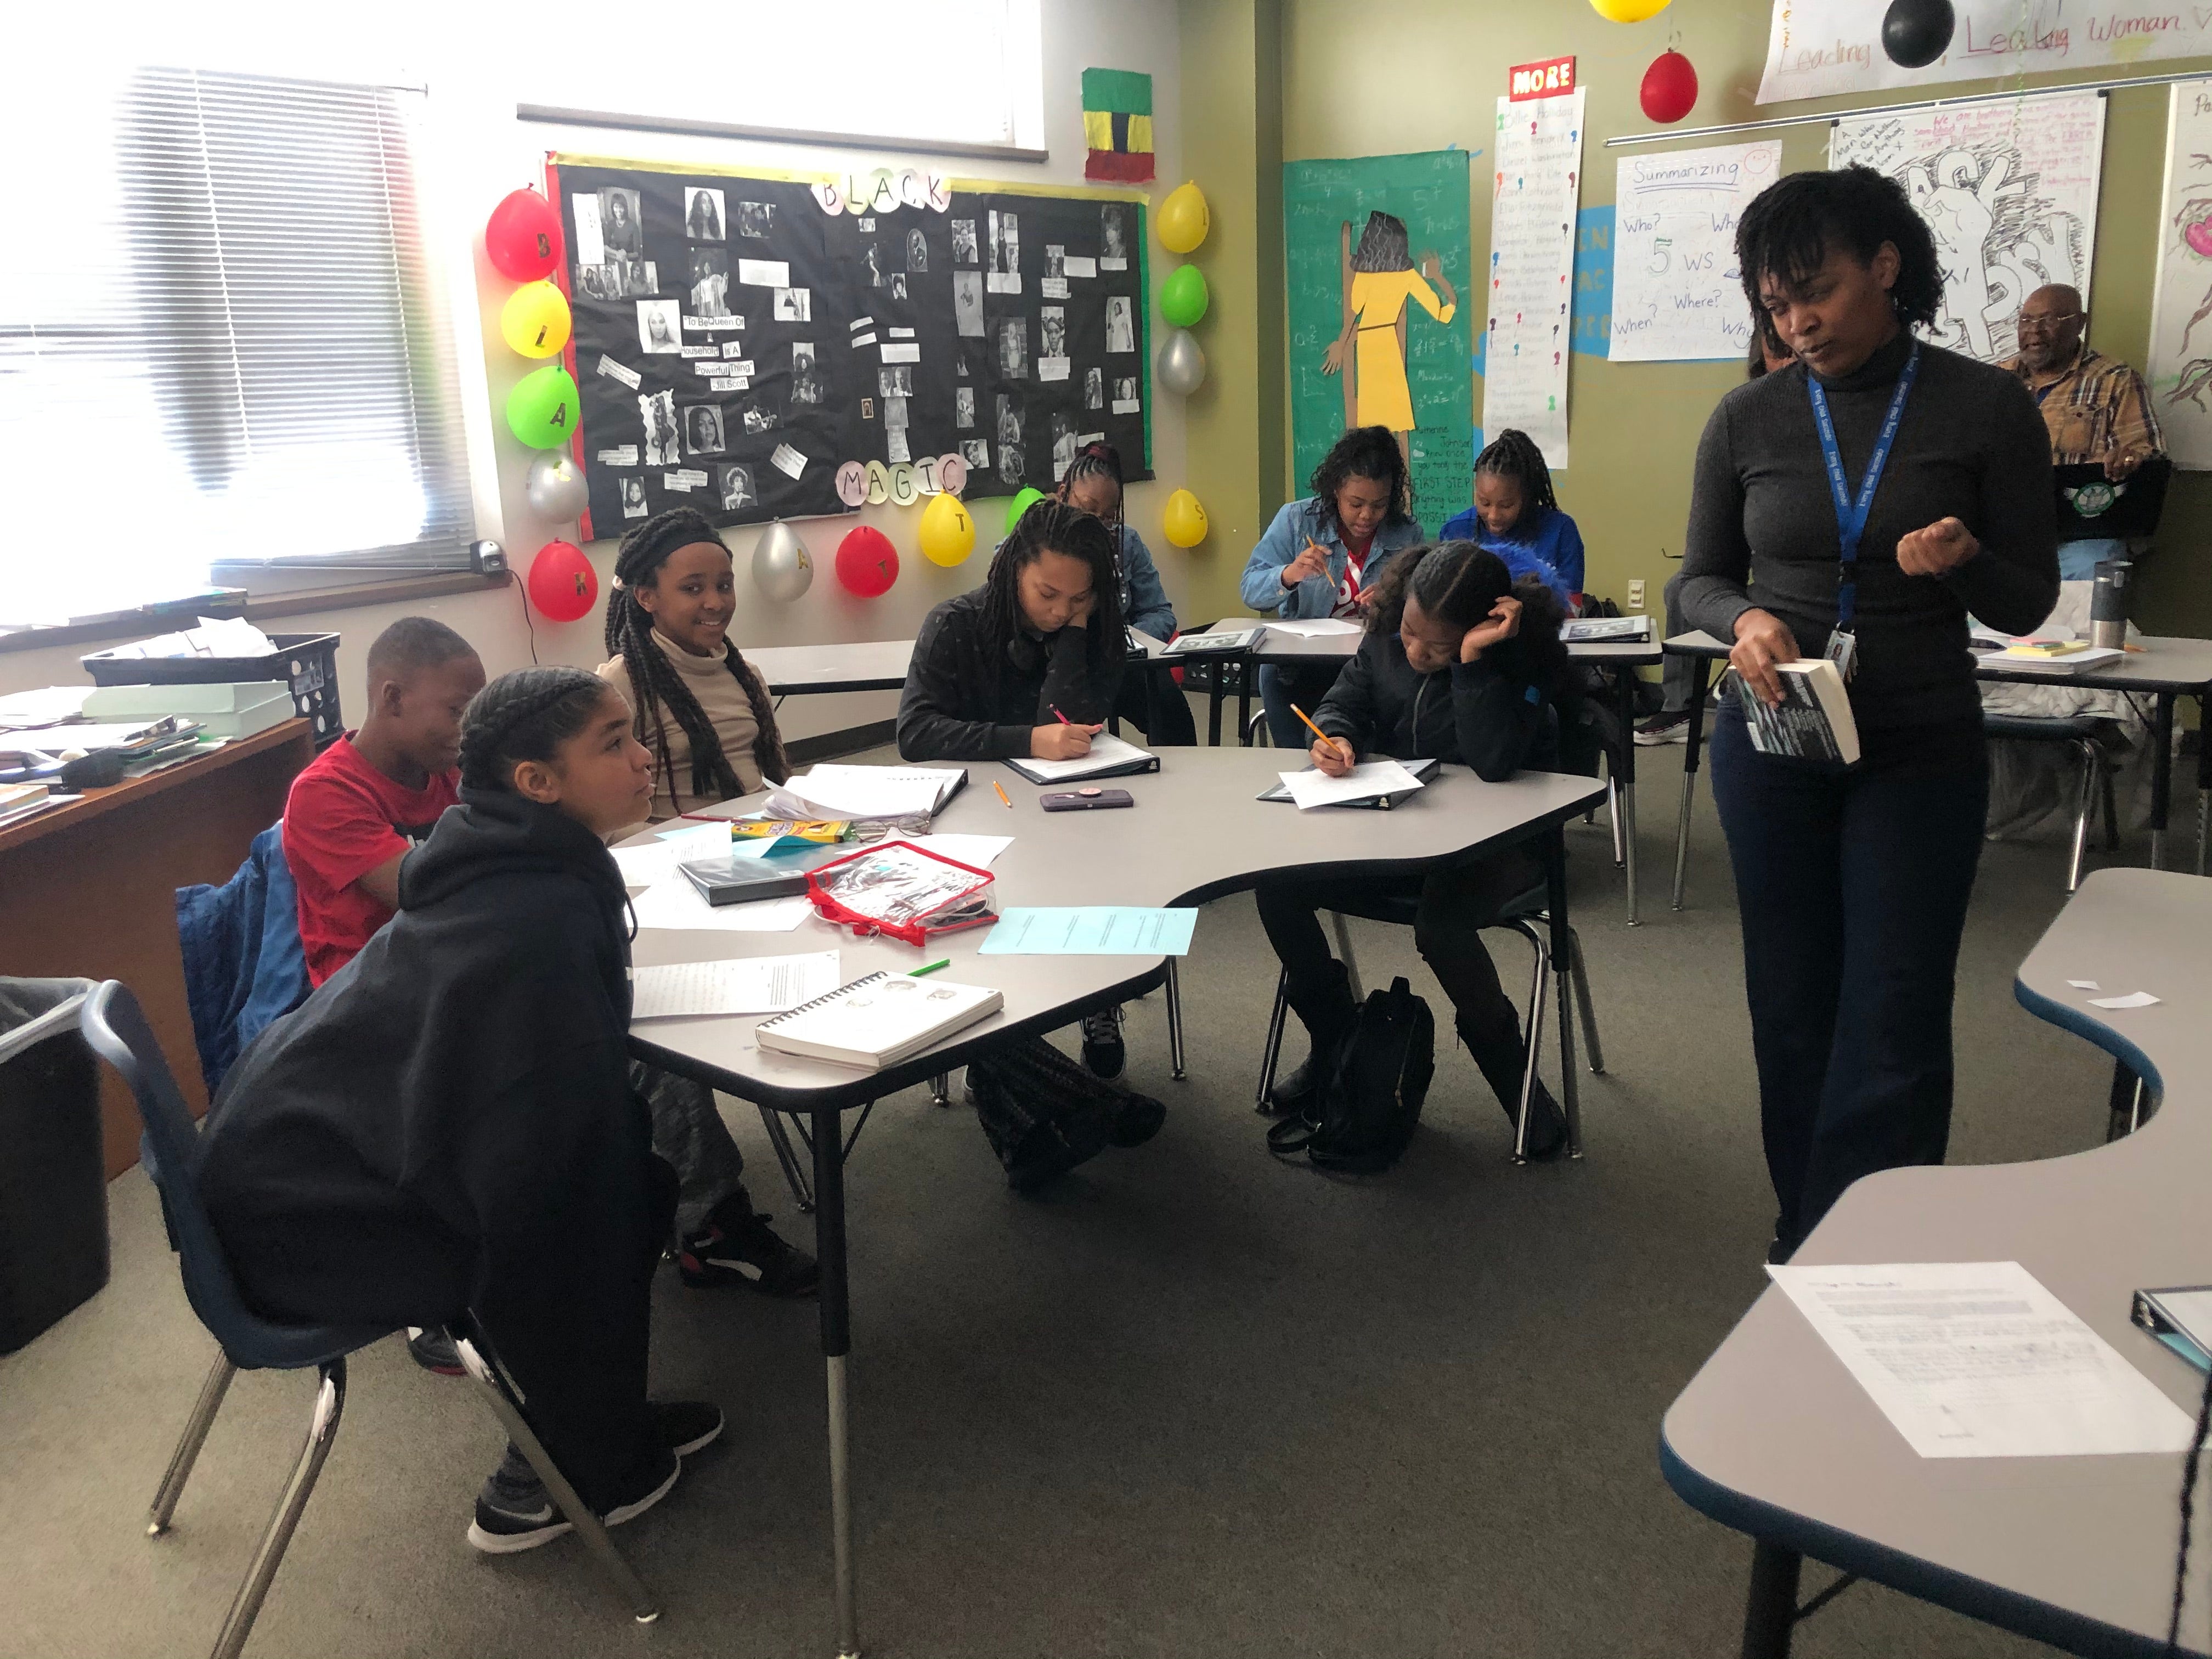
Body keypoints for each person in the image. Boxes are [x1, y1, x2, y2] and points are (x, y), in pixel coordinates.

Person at [200, 668, 724, 1553]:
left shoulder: (497, 855)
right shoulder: (535, 916)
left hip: (284, 1168)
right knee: (602, 1192)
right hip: (306, 1228)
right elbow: (530, 1164)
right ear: (537, 782)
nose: (644, 757)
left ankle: (593, 1419)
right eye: (613, 743)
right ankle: (556, 1473)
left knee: (618, 1164)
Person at [1679, 165, 2058, 1262]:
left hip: (1917, 745)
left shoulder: (1982, 407)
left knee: (1892, 1006)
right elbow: (1694, 581)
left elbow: (2028, 601)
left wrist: (1966, 560)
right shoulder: (1747, 415)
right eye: (1774, 303)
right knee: (1791, 1002)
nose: (1796, 322)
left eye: (1818, 292)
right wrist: (1744, 618)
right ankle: (1807, 1237)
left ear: (1886, 269)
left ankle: (1874, 1253)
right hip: (1776, 737)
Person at [1255, 542, 1570, 1158]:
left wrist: (1474, 664)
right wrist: (1336, 738)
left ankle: (1518, 1085)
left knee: (1442, 928)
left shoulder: (1518, 660)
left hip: (1501, 847)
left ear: (1484, 626)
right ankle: (1337, 1043)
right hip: (1402, 830)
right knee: (1279, 884)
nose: (1416, 652)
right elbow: (1344, 701)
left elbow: (1495, 762)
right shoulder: (1386, 638)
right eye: (1408, 632)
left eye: (1439, 645)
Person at [896, 501, 1169, 1185]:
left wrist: (1077, 632)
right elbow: (917, 733)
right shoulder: (956, 625)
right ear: (1015, 568)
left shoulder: (1094, 626)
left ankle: (1075, 1054)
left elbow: (1069, 720)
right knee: (987, 954)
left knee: (1098, 878)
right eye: (1047, 594)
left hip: (1065, 816)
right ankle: (1075, 1111)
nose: (1059, 608)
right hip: (972, 825)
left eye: (1079, 598)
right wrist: (1024, 741)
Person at [594, 510, 817, 1297]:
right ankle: (713, 1227)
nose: (715, 601)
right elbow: (609, 820)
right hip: (669, 891)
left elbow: (777, 786)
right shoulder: (618, 685)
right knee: (656, 1026)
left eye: (722, 584)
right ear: (646, 597)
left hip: (763, 866)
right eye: (693, 588)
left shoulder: (740, 669)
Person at [283, 618, 483, 991]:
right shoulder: (324, 792)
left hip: (448, 963)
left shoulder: (448, 766)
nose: (469, 731)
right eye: (457, 712)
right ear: (393, 698)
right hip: (368, 995)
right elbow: (429, 893)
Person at [1638, 320, 1798, 745]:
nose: (1793, 360)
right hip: (1748, 581)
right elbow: (1710, 561)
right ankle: (1679, 709)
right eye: (1778, 351)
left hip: (1792, 586)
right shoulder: (1741, 421)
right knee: (1680, 588)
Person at [1240, 425, 1426, 749]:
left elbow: (1424, 605)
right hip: (1302, 665)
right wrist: (1289, 575)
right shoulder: (1298, 520)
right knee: (1274, 676)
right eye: (1356, 503)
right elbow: (1250, 590)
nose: (1367, 516)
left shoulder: (1406, 534)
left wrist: (1392, 601)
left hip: (1369, 666)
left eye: (1380, 505)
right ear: (1336, 489)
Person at [2005, 283, 2166, 580]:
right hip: (2003, 531)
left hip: (2082, 536)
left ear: (2079, 324)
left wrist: (2130, 459)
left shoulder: (2114, 380)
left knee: (2093, 570)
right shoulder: (1995, 381)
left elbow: (2149, 454)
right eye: (2026, 320)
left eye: (2049, 320)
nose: (2035, 331)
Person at [1054, 440, 1197, 746]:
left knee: (1172, 712)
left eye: (1108, 516)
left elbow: (1160, 612)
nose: (1098, 523)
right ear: (1063, 493)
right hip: (1057, 666)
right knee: (1072, 738)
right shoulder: (1033, 542)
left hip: (1117, 663)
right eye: (1087, 509)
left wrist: (1125, 640)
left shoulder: (1126, 543)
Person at [1319, 211, 1459, 468]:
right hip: (1386, 345)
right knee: (1393, 423)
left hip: (1370, 345)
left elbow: (1353, 314)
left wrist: (1342, 343)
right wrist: (1437, 276)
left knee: (1371, 425)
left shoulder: (1364, 277)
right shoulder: (1405, 276)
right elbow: (1444, 312)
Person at [1437, 430, 1585, 606]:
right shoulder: (1455, 531)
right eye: (1484, 503)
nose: (1493, 516)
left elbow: (1571, 607)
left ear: (1527, 496)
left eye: (1506, 506)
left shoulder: (1561, 531)